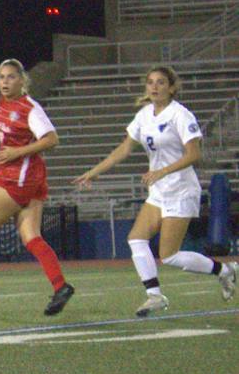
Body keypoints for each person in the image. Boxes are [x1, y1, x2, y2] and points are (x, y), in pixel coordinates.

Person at [73, 65, 237, 314]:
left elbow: (194, 154)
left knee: (168, 255)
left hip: (181, 189)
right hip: (159, 191)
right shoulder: (144, 115)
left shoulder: (180, 115)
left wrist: (162, 171)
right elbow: (124, 149)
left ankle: (225, 270)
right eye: (150, 82)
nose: (154, 87)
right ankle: (155, 295)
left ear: (171, 88)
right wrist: (94, 172)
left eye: (161, 82)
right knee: (136, 239)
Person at [0, 58, 75, 315]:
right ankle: (61, 286)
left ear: (22, 80)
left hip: (18, 177)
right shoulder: (4, 104)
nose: (5, 82)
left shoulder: (30, 107)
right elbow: (9, 131)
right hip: (30, 177)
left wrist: (17, 152)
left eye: (10, 77)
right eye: (1, 77)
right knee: (31, 237)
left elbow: (51, 139)